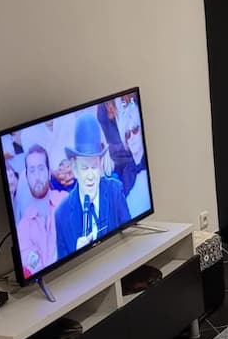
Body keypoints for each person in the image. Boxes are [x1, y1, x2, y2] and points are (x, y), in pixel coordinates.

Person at [55, 114, 130, 259]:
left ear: (100, 165)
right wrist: (76, 255)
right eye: (84, 168)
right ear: (75, 169)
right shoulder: (61, 215)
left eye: (94, 167)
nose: (90, 176)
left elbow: (131, 234)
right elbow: (62, 268)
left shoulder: (115, 190)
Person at [15, 144, 67, 278]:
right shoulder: (23, 228)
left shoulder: (66, 201)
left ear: (49, 173)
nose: (37, 176)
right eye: (32, 171)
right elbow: (35, 270)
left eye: (41, 169)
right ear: (27, 177)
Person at [115, 96, 151, 219]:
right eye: (127, 134)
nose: (131, 137)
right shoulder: (127, 173)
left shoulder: (150, 162)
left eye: (135, 129)